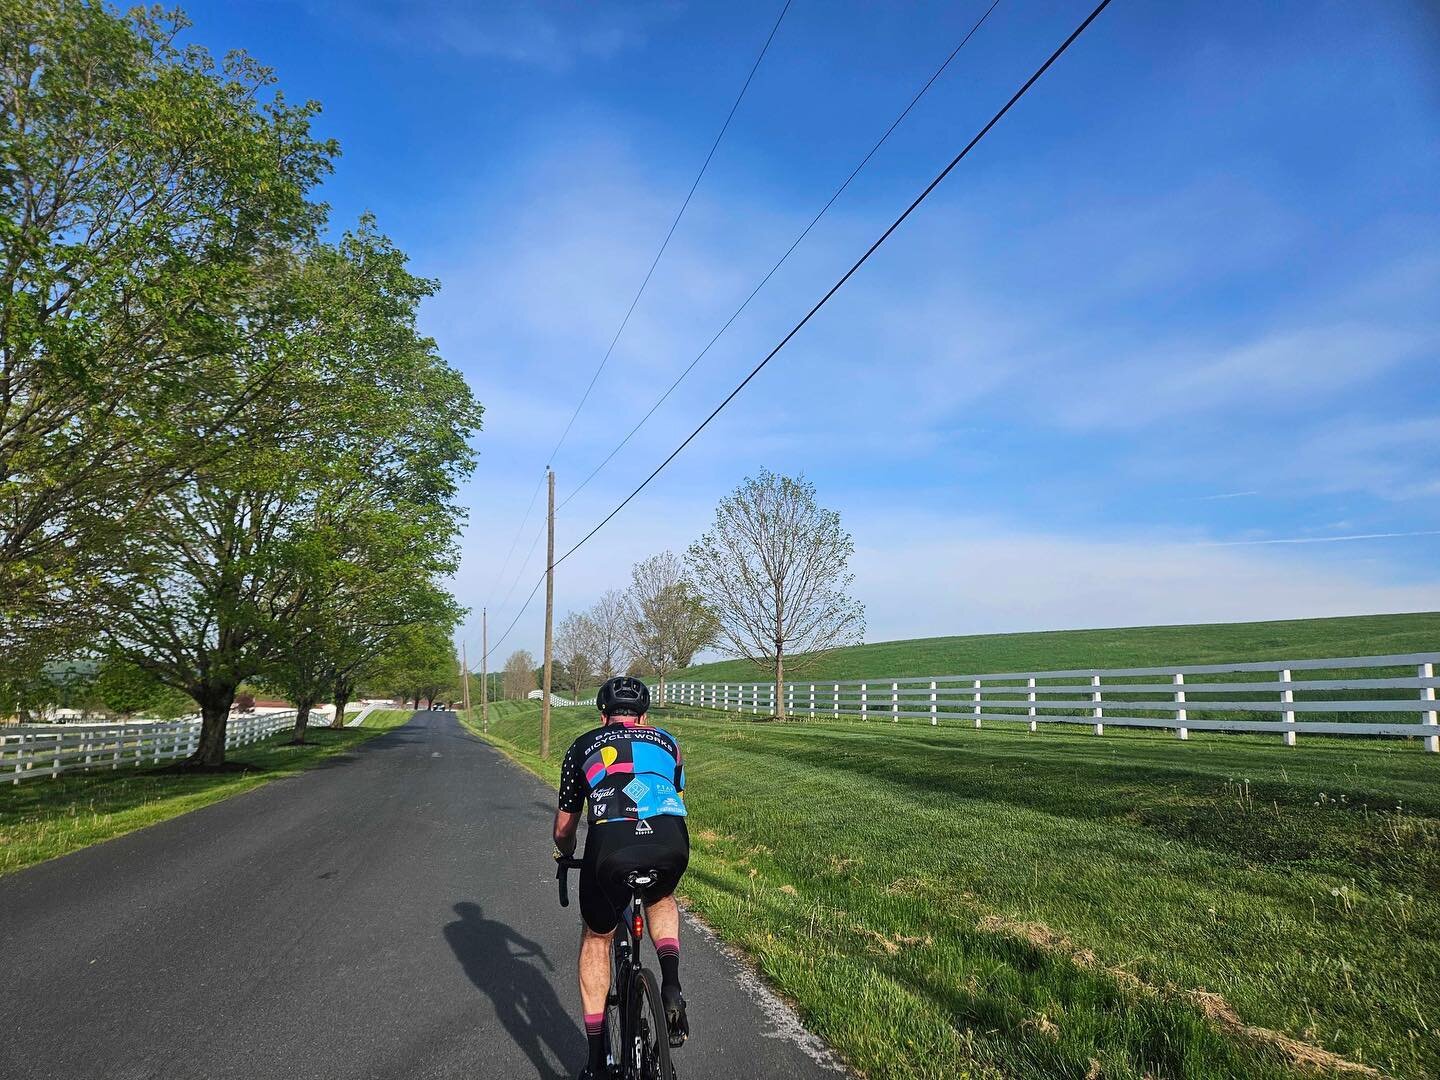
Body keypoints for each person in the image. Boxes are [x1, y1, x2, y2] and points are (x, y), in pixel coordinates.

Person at [553, 675, 690, 1080]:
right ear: (644, 717)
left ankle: (596, 1059)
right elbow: (676, 799)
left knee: (597, 937)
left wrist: (565, 854)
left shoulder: (582, 746)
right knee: (661, 898)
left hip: (610, 846)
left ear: (603, 716)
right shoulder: (668, 742)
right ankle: (670, 984)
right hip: (669, 839)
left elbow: (564, 826)